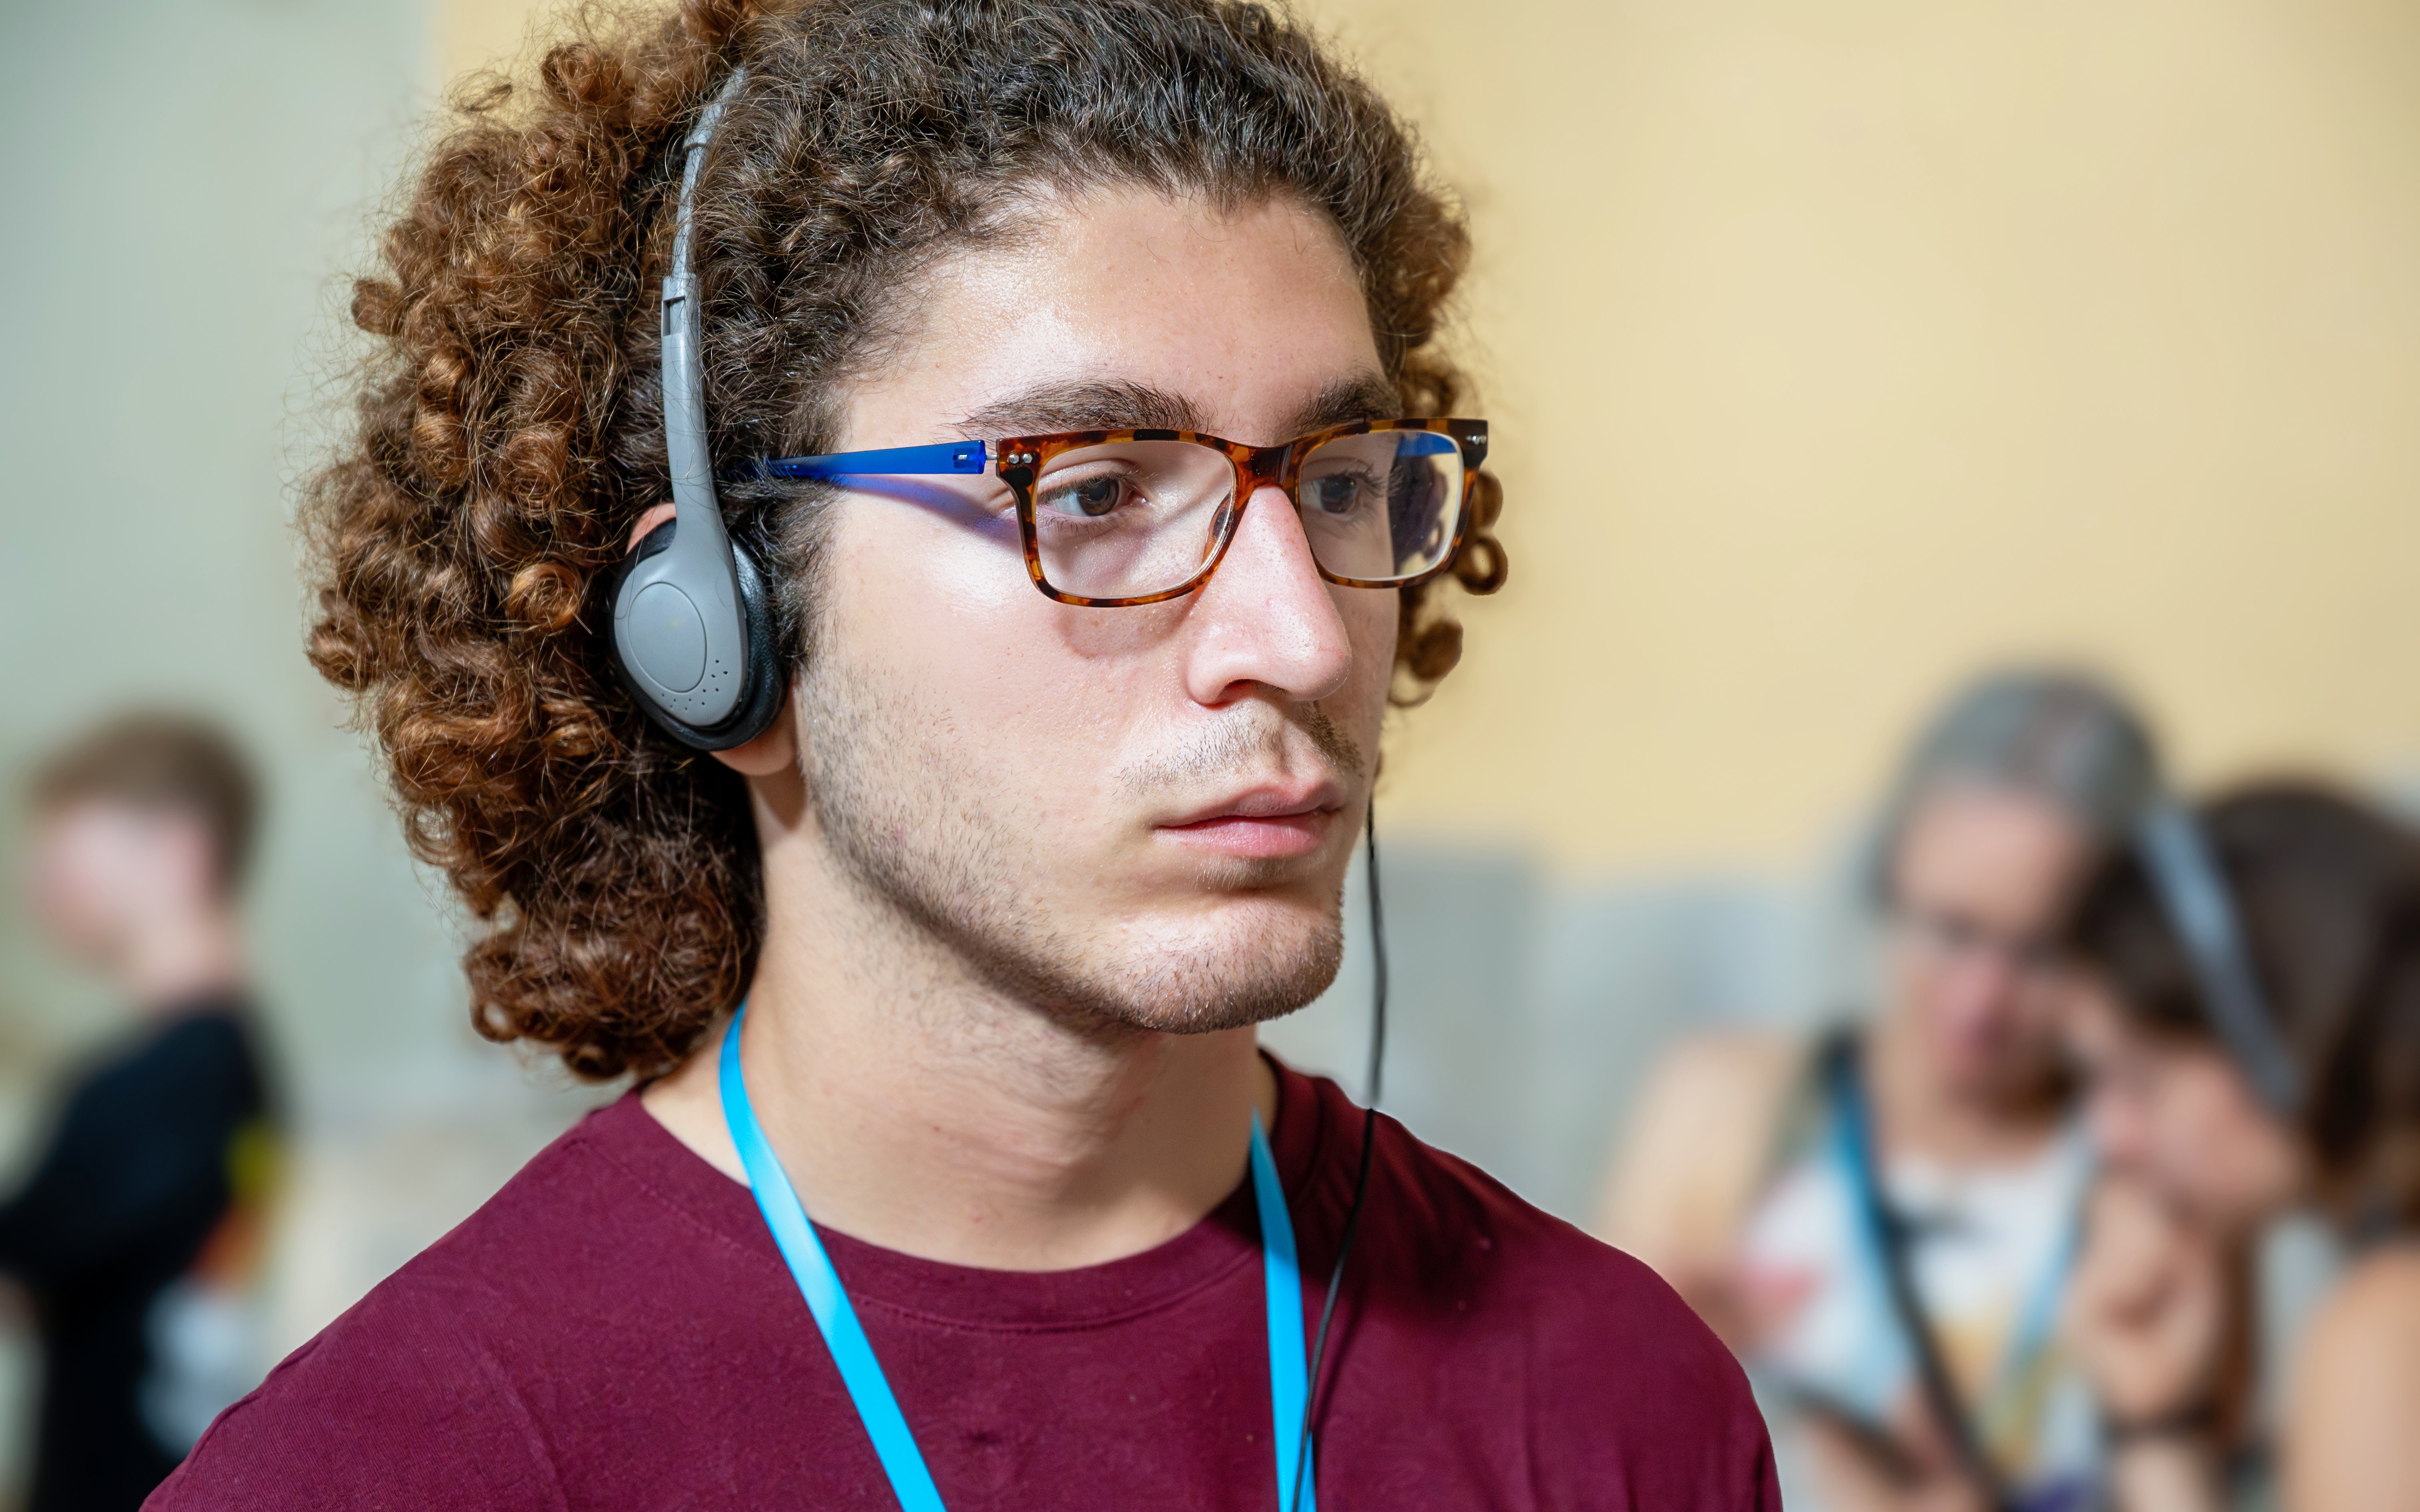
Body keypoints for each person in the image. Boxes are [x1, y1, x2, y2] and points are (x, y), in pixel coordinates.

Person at [151, 1, 1776, 1506]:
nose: (1303, 639)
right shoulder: (386, 1470)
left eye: (1340, 481)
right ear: (725, 630)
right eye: (1092, 492)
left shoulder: (1622, 1409)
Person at [1599, 670, 2164, 1512]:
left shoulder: (2149, 1173)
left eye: (2041, 954)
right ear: (1885, 880)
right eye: (1950, 929)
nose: (1980, 1003)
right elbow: (1583, 1441)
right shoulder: (1725, 1105)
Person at [2060, 784, 2420, 1512]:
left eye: (2140, 1080)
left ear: (2285, 1041)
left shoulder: (2384, 1333)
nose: (2108, 1137)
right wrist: (2155, 1419)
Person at [0, 714, 275, 1512]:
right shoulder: (235, 1065)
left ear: (177, 848)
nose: (37, 880)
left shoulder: (166, 1079)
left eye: (63, 843)